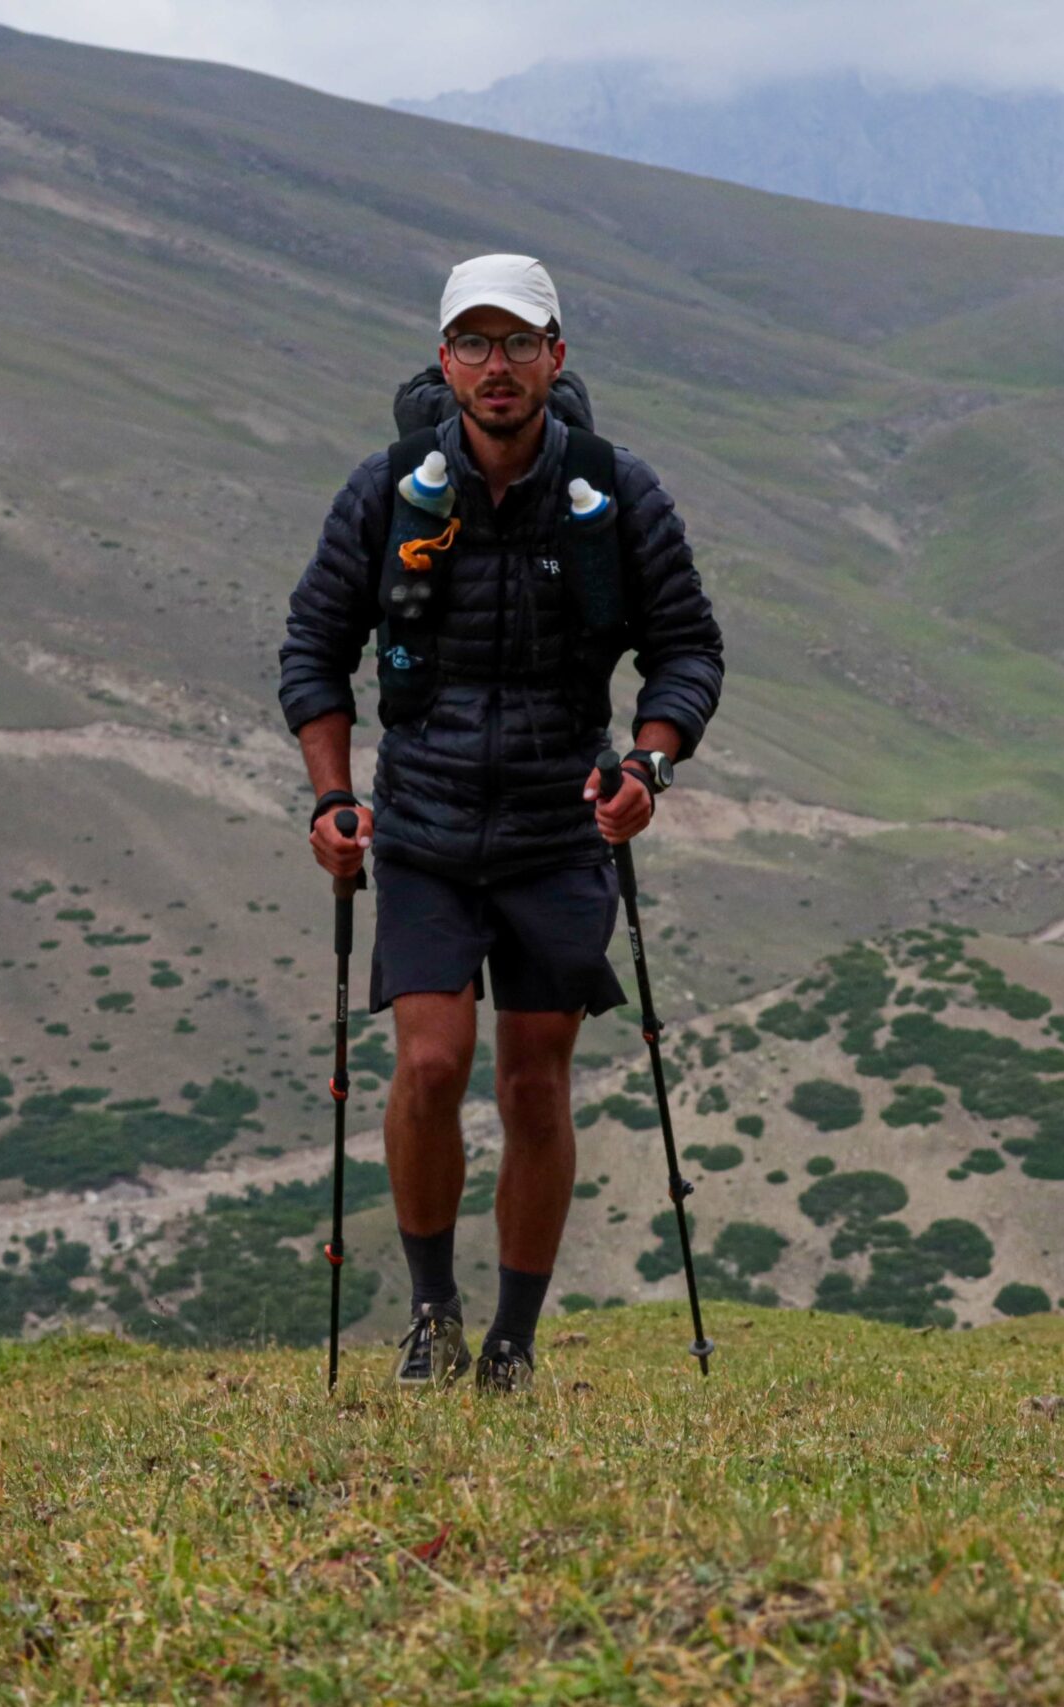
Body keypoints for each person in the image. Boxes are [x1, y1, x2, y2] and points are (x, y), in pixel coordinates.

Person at [278, 254, 724, 1392]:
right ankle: (432, 1314)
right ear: (445, 361)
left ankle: (514, 1345)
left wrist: (648, 768)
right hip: (423, 824)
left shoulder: (619, 491)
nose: (496, 367)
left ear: (555, 357)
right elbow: (314, 652)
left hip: (559, 825)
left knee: (534, 1083)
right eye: (473, 345)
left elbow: (686, 650)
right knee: (431, 1068)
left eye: (518, 343)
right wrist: (334, 797)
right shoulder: (384, 492)